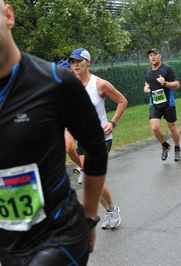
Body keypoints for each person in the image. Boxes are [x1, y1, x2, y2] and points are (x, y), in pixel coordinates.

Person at [0, 1, 107, 264]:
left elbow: (94, 147)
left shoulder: (55, 82)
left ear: (9, 16)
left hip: (59, 236)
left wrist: (90, 217)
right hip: (9, 246)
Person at [68, 48, 127, 230]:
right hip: (83, 141)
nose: (75, 65)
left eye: (79, 61)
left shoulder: (100, 84)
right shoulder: (71, 86)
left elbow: (122, 101)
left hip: (102, 138)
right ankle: (111, 210)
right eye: (72, 62)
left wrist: (113, 122)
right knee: (87, 179)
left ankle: (111, 210)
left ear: (88, 62)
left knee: (91, 178)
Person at [144, 48, 181, 161]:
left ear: (160, 56)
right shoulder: (147, 71)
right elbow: (146, 84)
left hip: (168, 102)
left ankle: (177, 148)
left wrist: (164, 83)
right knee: (155, 128)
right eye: (150, 55)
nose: (153, 57)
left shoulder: (166, 69)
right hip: (154, 102)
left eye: (155, 55)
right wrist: (145, 88)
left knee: (172, 127)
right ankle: (165, 145)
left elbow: (177, 84)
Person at [57, 60, 84, 180]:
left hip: (81, 122)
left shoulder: (79, 83)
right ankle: (83, 168)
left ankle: (86, 170)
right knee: (68, 147)